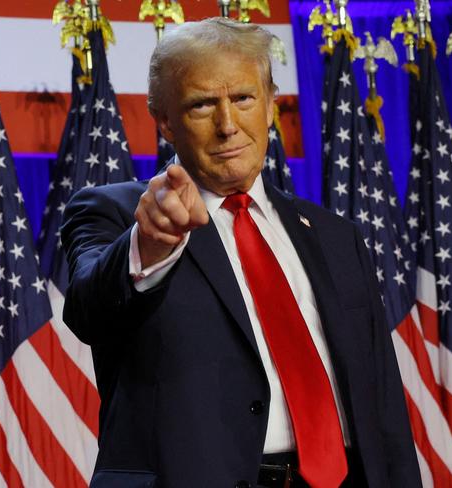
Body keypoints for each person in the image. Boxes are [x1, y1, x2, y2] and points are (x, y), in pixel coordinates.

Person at [61, 17, 421, 488]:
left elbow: (383, 408)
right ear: (166, 122)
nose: (228, 125)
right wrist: (148, 246)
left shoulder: (337, 236)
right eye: (202, 104)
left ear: (271, 104)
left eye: (244, 99)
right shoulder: (119, 214)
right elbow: (90, 312)